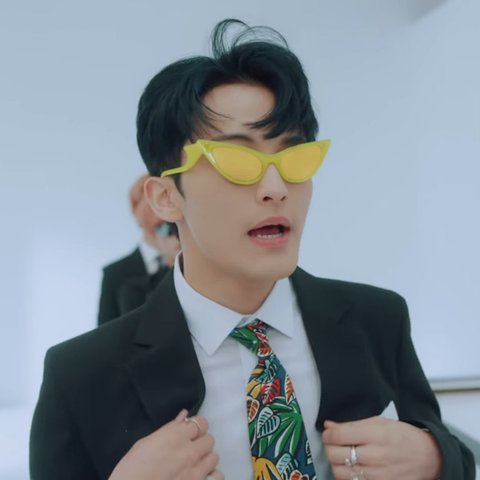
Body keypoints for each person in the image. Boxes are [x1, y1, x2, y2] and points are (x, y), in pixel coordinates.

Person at [30, 19, 475, 480]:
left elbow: (447, 451)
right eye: (237, 161)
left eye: (293, 157)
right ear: (165, 197)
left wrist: (436, 459)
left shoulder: (377, 319)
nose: (275, 188)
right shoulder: (80, 374)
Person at [97, 173, 181, 325]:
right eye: (148, 205)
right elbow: (105, 330)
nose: (157, 214)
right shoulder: (115, 274)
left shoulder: (190, 259)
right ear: (136, 211)